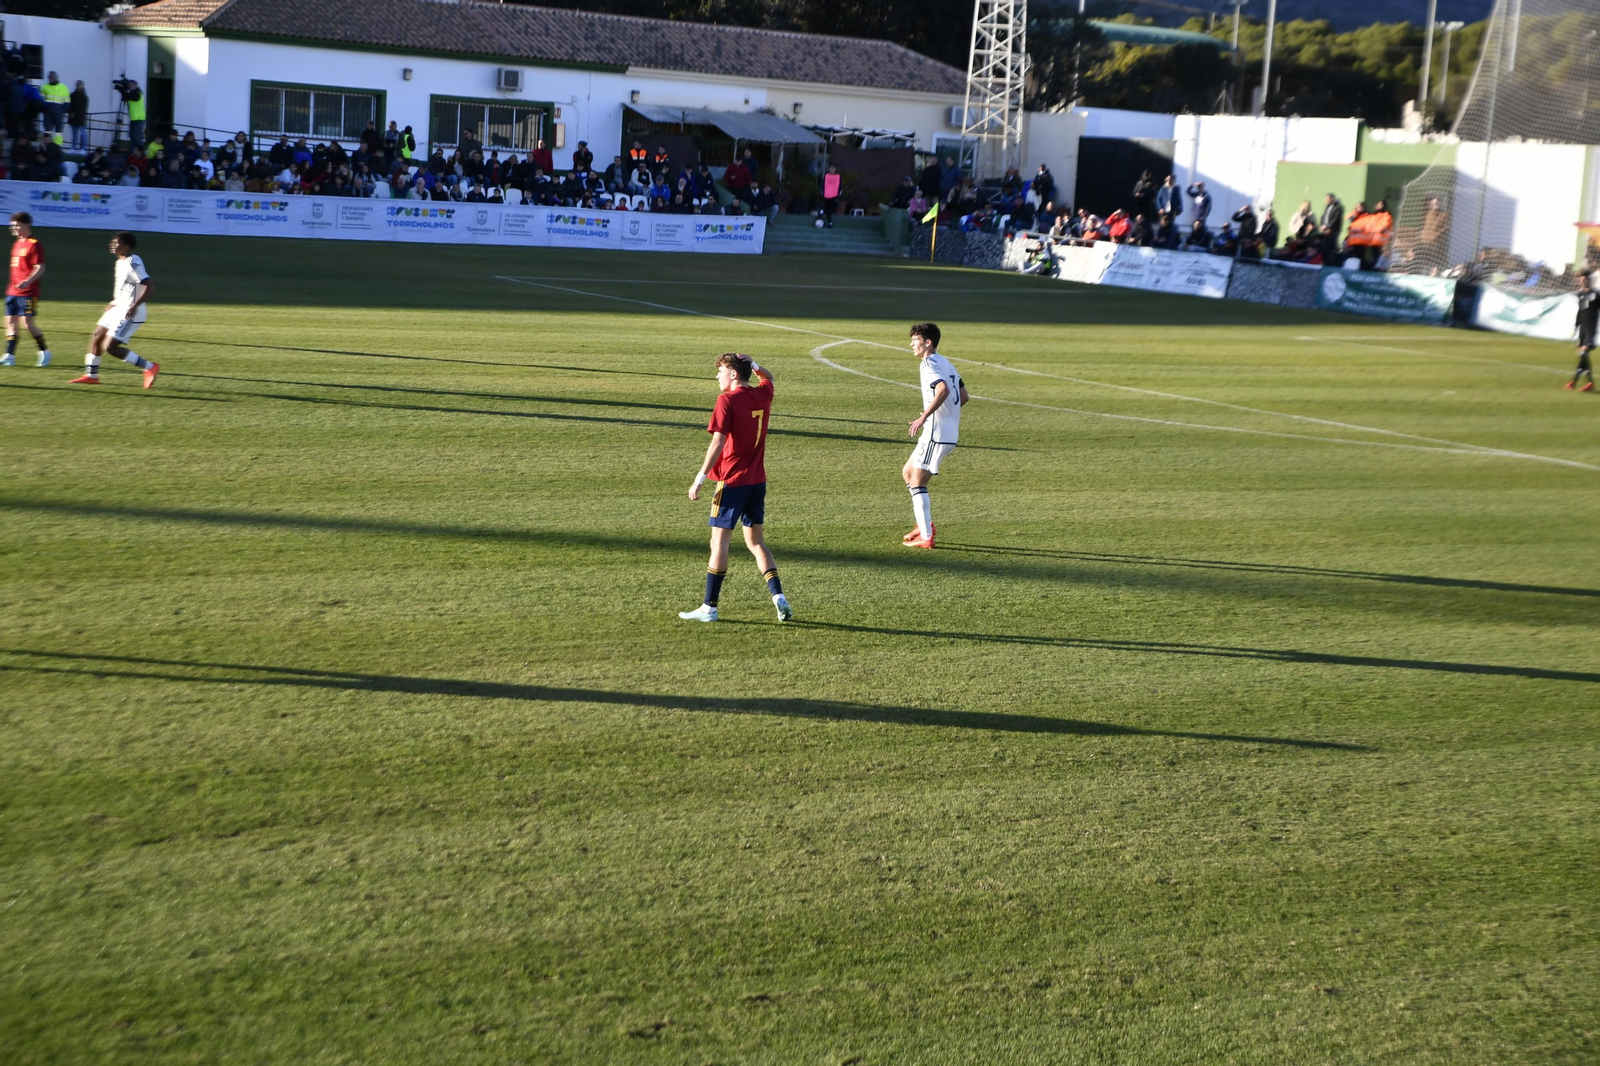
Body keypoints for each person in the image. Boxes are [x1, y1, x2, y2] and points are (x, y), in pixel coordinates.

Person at [679, 353, 791, 623]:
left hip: (730, 481)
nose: (717, 376)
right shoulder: (762, 395)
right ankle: (779, 597)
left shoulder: (726, 400)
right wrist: (754, 365)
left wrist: (700, 477)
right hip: (757, 481)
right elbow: (769, 377)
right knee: (756, 542)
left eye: (720, 371)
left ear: (732, 374)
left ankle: (709, 608)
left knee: (718, 543)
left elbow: (717, 442)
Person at [902, 322, 968, 550]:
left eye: (915, 340)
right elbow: (964, 395)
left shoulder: (929, 363)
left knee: (918, 481)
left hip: (936, 433)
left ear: (928, 342)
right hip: (945, 430)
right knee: (908, 472)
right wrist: (945, 414)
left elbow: (943, 390)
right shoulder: (947, 363)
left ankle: (927, 537)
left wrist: (925, 417)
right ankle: (924, 524)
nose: (911, 344)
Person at [70, 232, 158, 387]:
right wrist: (114, 301)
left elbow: (149, 285)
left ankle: (149, 367)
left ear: (127, 245)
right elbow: (126, 287)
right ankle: (92, 376)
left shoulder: (133, 262)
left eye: (116, 242)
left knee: (110, 346)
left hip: (131, 311)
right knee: (97, 335)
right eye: (112, 242)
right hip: (118, 307)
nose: (112, 245)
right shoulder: (120, 262)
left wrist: (134, 306)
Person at [3, 213, 51, 368]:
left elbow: (40, 267)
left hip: (28, 291)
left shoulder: (34, 244)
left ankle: (44, 352)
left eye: (17, 225)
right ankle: (9, 355)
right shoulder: (17, 244)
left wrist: (28, 281)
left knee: (28, 324)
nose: (14, 228)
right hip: (12, 291)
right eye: (13, 225)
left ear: (27, 225)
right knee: (10, 322)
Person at [1567, 271, 1597, 392]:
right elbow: (1580, 312)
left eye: (1585, 279)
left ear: (1589, 280)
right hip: (1583, 329)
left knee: (1584, 354)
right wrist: (1576, 326)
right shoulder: (1580, 294)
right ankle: (1587, 383)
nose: (1583, 281)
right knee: (1584, 356)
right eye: (1581, 279)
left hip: (1591, 328)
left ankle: (1576, 382)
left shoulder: (1596, 294)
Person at [119, 78, 146, 148]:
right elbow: (126, 97)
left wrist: (122, 90)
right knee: (132, 136)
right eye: (129, 85)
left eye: (131, 85)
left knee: (137, 137)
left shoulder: (138, 93)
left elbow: (132, 97)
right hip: (134, 118)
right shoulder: (132, 93)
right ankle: (134, 151)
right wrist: (122, 91)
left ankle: (141, 152)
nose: (129, 87)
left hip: (139, 118)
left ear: (135, 86)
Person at [821, 164, 841, 228]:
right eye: (830, 168)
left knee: (833, 208)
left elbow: (840, 187)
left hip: (834, 196)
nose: (832, 170)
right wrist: (823, 193)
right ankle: (830, 223)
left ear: (835, 169)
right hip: (826, 196)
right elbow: (822, 185)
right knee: (828, 210)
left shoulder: (838, 177)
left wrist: (838, 196)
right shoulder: (826, 176)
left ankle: (822, 211)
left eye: (833, 168)